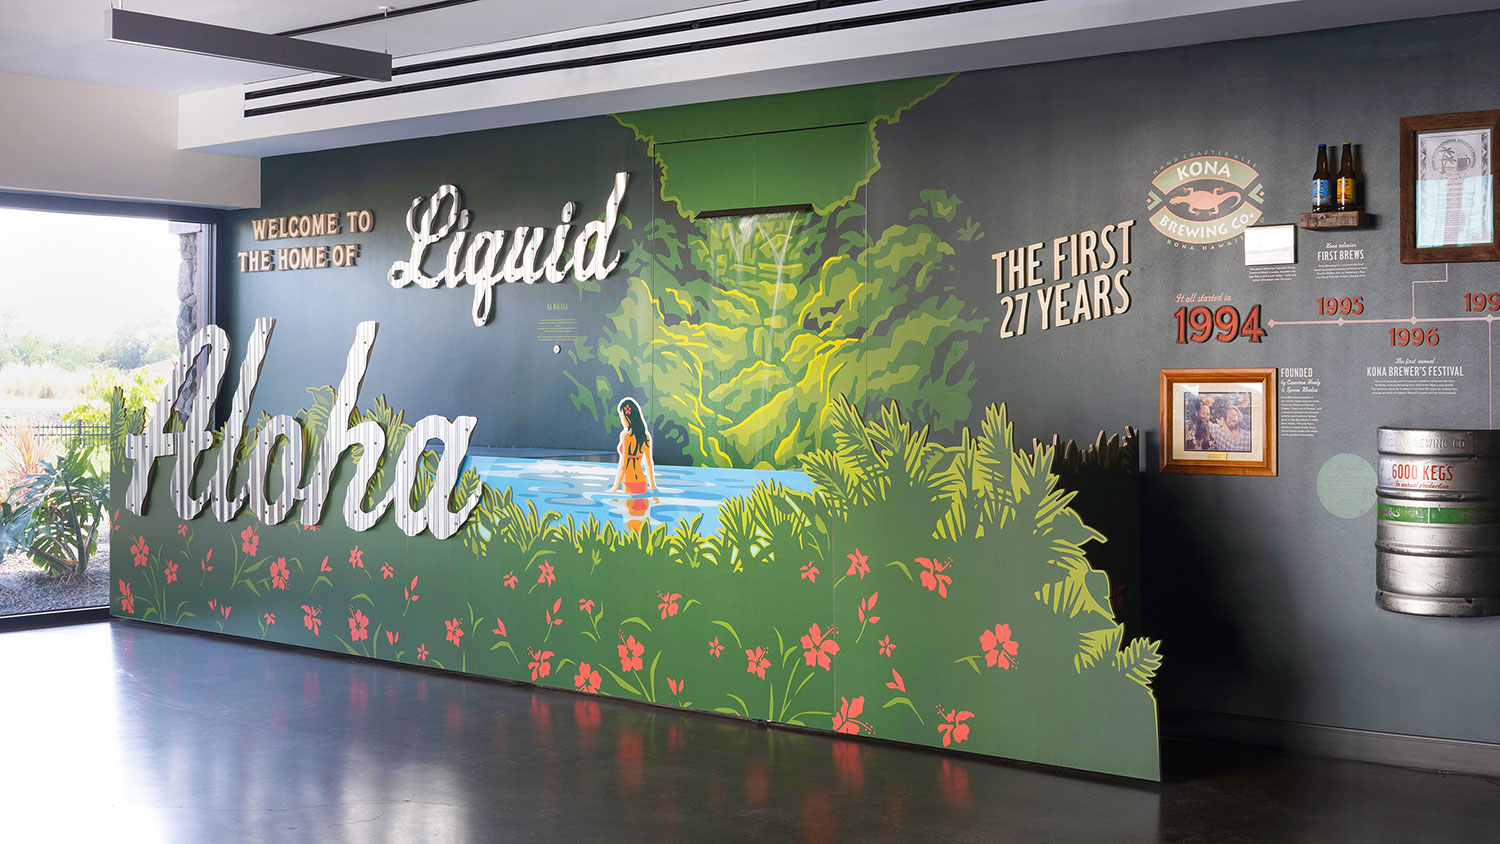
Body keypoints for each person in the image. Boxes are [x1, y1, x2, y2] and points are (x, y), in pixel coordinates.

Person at [607, 397, 658, 494]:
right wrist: (653, 486)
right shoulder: (646, 436)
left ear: (628, 417)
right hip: (642, 481)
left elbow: (623, 464)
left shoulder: (626, 436)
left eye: (622, 416)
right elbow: (649, 464)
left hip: (628, 481)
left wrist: (615, 488)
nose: (622, 419)